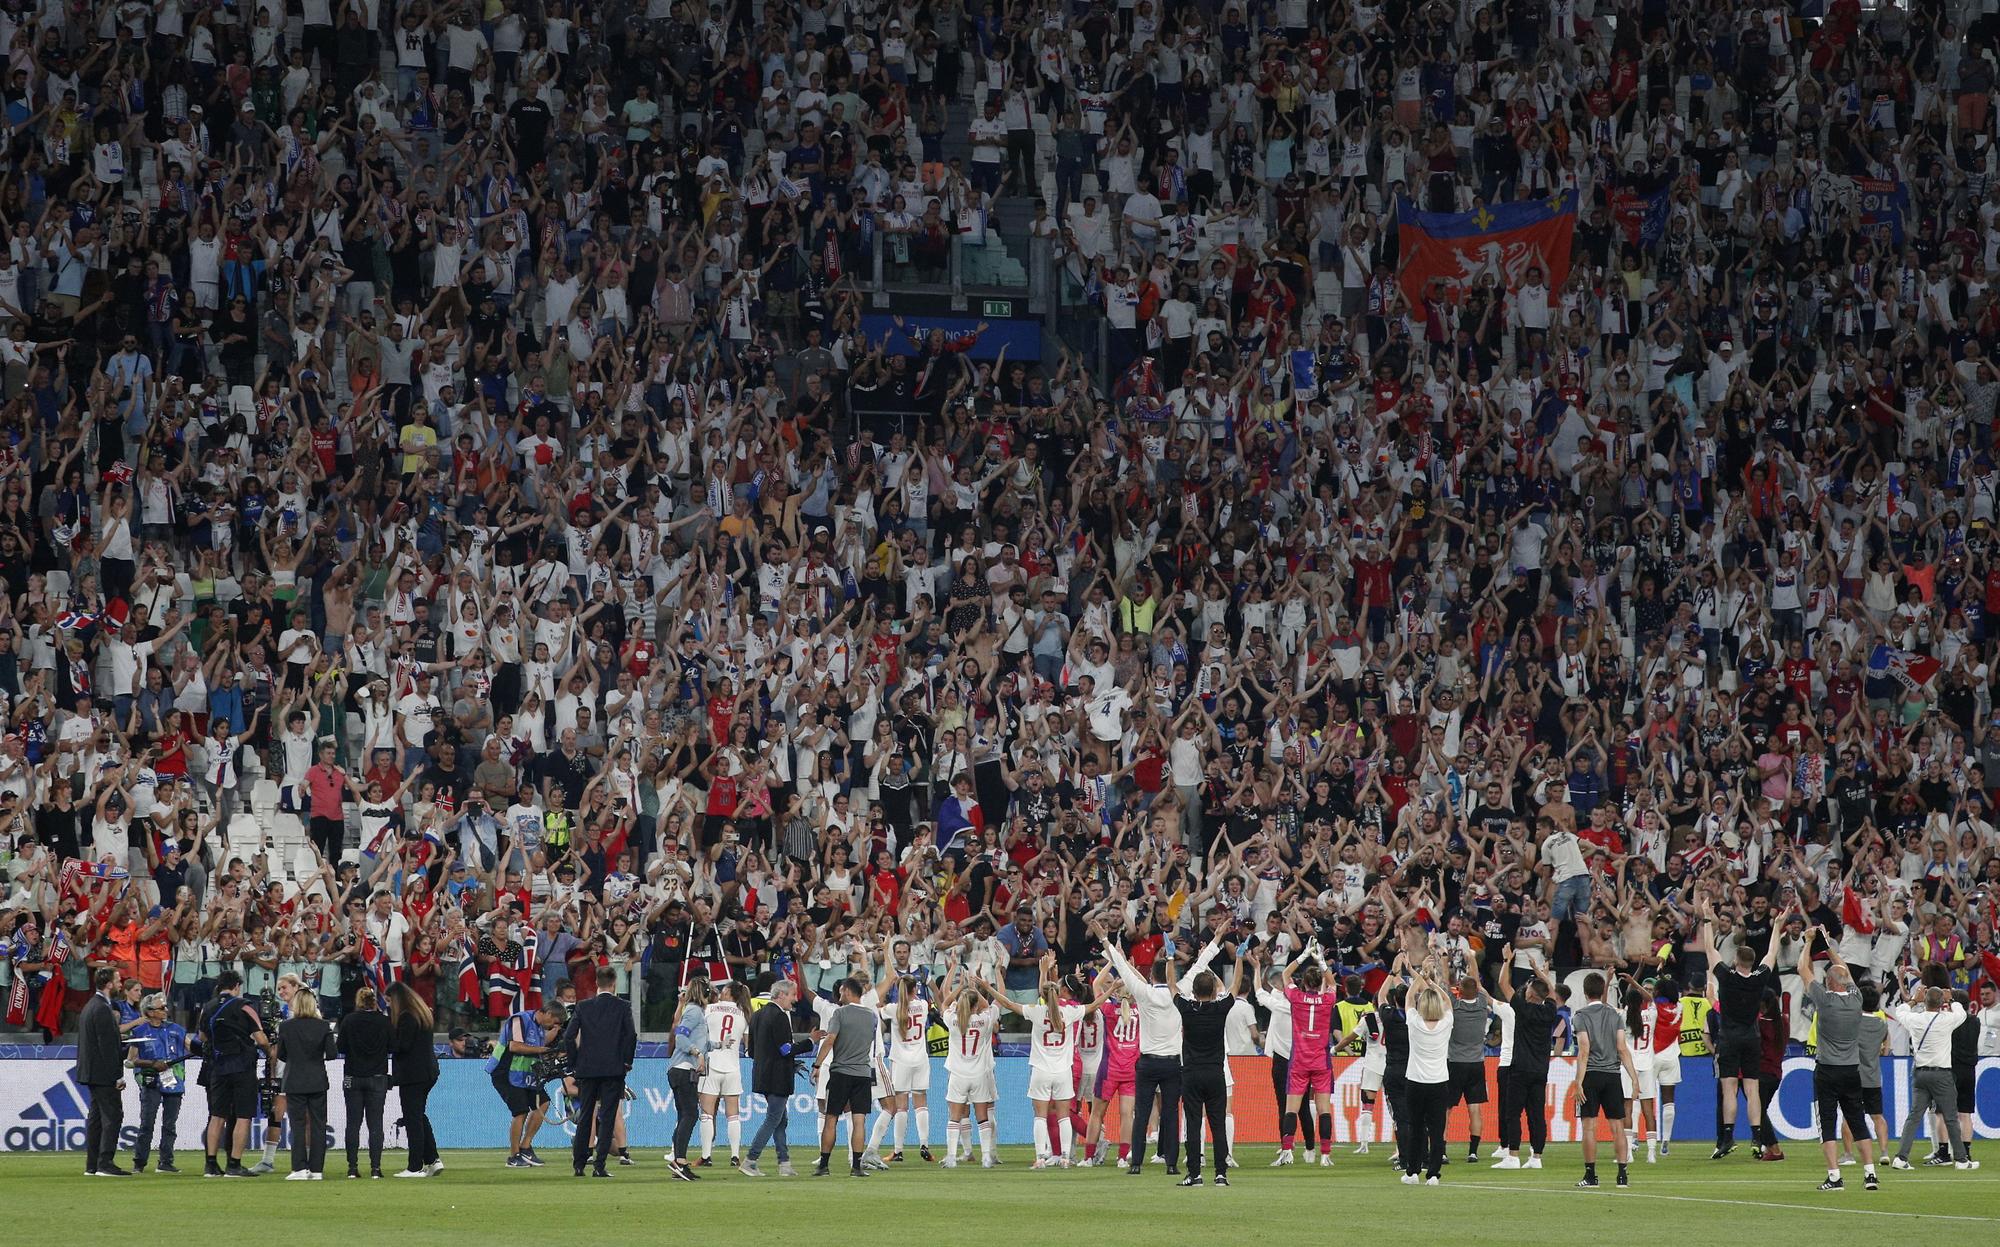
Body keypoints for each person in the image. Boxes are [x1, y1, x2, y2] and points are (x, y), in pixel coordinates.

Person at [1092, 916, 1185, 1176]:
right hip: (1172, 1062)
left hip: (1147, 1062)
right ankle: (1171, 1164)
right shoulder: (1181, 995)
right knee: (1169, 1113)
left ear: (1149, 976)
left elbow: (1121, 968)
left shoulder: (1143, 994)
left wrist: (1105, 940)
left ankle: (1135, 1164)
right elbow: (1199, 966)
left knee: (1141, 1112)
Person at [991, 951, 1092, 1168]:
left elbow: (1011, 1004)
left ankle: (1041, 1157)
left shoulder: (1038, 1011)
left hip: (1042, 1069)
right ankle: (1065, 1156)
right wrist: (1109, 990)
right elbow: (1089, 1004)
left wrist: (1043, 971)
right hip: (1066, 1067)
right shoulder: (1072, 1011)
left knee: (1041, 1115)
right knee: (1065, 1115)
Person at [1702, 905, 1781, 1158]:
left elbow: (1709, 949)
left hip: (1728, 1037)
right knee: (1752, 1088)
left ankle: (1726, 1137)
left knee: (1728, 1088)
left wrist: (1706, 918)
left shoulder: (1726, 976)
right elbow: (1772, 952)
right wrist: (1777, 926)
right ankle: (1757, 1139)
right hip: (1751, 1037)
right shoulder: (1759, 978)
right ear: (1752, 962)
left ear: (1736, 961)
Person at [1168, 939, 1235, 1187]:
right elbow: (1235, 986)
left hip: (1192, 1074)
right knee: (1218, 1124)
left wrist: (1168, 958)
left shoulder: (1186, 1008)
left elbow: (1172, 986)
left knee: (1193, 1124)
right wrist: (1238, 960)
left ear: (1193, 992)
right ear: (1215, 991)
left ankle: (1194, 1174)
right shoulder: (1221, 1008)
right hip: (1216, 1073)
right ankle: (1220, 1174)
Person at [1887, 984, 1974, 1170]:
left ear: (1924, 1002)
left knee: (1914, 1117)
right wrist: (1951, 999)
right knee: (1951, 1117)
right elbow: (1962, 1014)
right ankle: (1961, 1160)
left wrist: (1913, 1000)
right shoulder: (1947, 1019)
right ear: (1941, 1002)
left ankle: (1901, 1158)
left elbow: (1900, 1011)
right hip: (1941, 1074)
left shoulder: (1915, 1019)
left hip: (1920, 1073)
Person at [560, 977, 639, 1178]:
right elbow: (631, 1035)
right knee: (608, 1116)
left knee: (586, 1116)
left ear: (597, 983)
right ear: (614, 984)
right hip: (613, 1070)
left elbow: (569, 1036)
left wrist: (573, 1064)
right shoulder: (622, 1006)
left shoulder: (583, 1006)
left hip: (587, 1070)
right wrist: (626, 1062)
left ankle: (579, 1165)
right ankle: (599, 1166)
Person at [199, 969, 269, 1177]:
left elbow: (203, 1037)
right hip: (241, 1066)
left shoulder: (207, 1008)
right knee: (243, 1115)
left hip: (218, 1067)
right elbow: (262, 1039)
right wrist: (269, 1052)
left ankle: (211, 1164)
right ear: (237, 986)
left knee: (217, 1115)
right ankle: (234, 1163)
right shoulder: (245, 1006)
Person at [1572, 971, 1639, 1189]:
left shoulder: (1581, 1016)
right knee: (1617, 1127)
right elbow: (1622, 1048)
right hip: (1613, 1076)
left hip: (1591, 1075)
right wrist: (1635, 1078)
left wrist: (1578, 1081)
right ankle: (1622, 1175)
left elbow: (1584, 1049)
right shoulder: (1615, 1015)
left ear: (1584, 992)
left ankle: (1591, 1175)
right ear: (1603, 991)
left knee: (1589, 1127)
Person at [1491, 952, 1557, 1169]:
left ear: (1530, 995)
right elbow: (1552, 992)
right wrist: (1539, 972)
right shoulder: (1549, 1011)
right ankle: (1536, 1157)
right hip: (1540, 1070)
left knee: (1512, 1113)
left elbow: (1503, 982)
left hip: (1519, 1069)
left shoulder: (1522, 1008)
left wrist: (1507, 960)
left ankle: (1513, 1156)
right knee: (1536, 1115)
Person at [814, 976, 879, 1177]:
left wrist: (817, 1064)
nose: (839, 994)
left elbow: (830, 1040)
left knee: (831, 1117)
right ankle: (856, 1166)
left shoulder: (839, 1013)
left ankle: (824, 1165)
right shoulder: (871, 1016)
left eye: (842, 991)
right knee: (859, 1120)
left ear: (849, 992)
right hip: (862, 1073)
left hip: (841, 1072)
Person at [1274, 956, 1335, 1167]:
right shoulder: (1328, 999)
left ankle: (1287, 1151)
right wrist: (1321, 962)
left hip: (1299, 1060)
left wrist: (1301, 956)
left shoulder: (1296, 997)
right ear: (1319, 983)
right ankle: (1325, 1155)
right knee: (1324, 1109)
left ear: (1304, 983)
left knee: (1291, 1108)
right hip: (1320, 1062)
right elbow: (1334, 984)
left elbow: (1285, 974)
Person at [937, 964, 1000, 1169]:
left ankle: (952, 1157)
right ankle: (986, 1157)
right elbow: (991, 1006)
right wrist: (973, 988)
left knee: (955, 1117)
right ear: (975, 1006)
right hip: (980, 1074)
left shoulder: (953, 1020)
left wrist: (962, 987)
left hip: (958, 1074)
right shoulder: (984, 1020)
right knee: (982, 1117)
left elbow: (944, 1002)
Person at [1401, 954, 1455, 1186]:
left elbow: (1408, 999)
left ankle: (1413, 1172)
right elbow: (1449, 1003)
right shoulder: (1445, 1023)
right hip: (1439, 1082)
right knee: (1437, 1130)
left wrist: (1422, 976)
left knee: (1415, 1128)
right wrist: (1433, 984)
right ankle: (1433, 1174)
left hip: (1415, 1082)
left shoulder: (1414, 1022)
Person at [493, 1002, 566, 1168]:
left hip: (525, 1073)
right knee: (520, 1111)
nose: (554, 1025)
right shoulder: (519, 1019)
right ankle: (514, 1156)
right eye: (554, 1021)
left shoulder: (540, 1026)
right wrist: (543, 1050)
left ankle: (525, 1147)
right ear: (547, 1014)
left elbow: (539, 1043)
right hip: (505, 1071)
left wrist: (555, 1038)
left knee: (543, 1103)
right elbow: (515, 1046)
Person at [743, 978, 802, 1177]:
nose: (794, 1000)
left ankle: (784, 1163)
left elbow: (751, 1051)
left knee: (780, 1120)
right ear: (781, 995)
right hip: (778, 1077)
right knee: (773, 1118)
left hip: (761, 1074)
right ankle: (751, 1160)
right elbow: (785, 1049)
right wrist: (811, 1041)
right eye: (792, 995)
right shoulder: (780, 1017)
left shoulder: (757, 1015)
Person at [276, 990, 337, 1180]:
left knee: (298, 1125)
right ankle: (317, 1170)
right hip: (317, 1080)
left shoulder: (286, 1027)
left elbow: (281, 1055)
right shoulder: (324, 1026)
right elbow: (333, 1054)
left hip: (294, 1081)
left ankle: (299, 1168)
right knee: (318, 1126)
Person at [77, 966, 129, 1177]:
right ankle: (105, 1163)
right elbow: (106, 1047)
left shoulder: (92, 1005)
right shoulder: (102, 1008)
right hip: (103, 1073)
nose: (120, 984)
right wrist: (117, 1074)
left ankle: (93, 1164)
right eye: (117, 980)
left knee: (97, 1118)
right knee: (113, 1116)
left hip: (92, 1071)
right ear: (108, 984)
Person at [337, 988, 393, 1179]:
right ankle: (376, 1168)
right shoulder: (384, 1021)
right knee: (375, 1123)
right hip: (377, 1077)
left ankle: (352, 1168)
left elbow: (341, 1047)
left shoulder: (349, 1020)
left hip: (353, 1076)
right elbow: (392, 1046)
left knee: (353, 1123)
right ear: (373, 1001)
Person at [387, 981, 441, 1178]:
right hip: (427, 1072)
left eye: (389, 1001)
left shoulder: (407, 1017)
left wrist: (386, 1037)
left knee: (413, 1118)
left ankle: (415, 1166)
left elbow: (402, 1045)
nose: (389, 1005)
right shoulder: (421, 1013)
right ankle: (432, 1159)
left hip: (413, 1075)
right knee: (419, 1115)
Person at [130, 991, 188, 1174]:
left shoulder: (176, 1029)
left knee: (170, 1124)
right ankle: (139, 1162)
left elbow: (190, 1045)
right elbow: (131, 1060)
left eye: (165, 1007)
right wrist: (152, 1064)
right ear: (149, 1012)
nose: (165, 1010)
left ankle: (166, 1161)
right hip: (151, 1081)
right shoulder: (139, 1032)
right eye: (161, 1008)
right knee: (147, 1123)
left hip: (175, 1081)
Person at [699, 979, 752, 1168]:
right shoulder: (744, 1014)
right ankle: (735, 1155)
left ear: (728, 991)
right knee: (733, 1114)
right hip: (733, 1066)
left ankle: (706, 1155)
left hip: (711, 1064)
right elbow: (748, 1044)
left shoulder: (709, 1009)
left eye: (723, 988)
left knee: (706, 1113)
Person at [664, 979, 713, 1180]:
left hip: (680, 1069)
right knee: (690, 1115)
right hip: (684, 1069)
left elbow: (698, 1040)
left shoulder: (692, 1011)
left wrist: (719, 1044)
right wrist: (697, 1053)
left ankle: (678, 1160)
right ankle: (680, 1161)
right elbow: (681, 1036)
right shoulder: (694, 1011)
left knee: (684, 1116)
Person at [1446, 973, 1493, 1165]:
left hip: (1455, 1063)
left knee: (1445, 1109)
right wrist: (1472, 960)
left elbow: (1445, 986)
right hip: (1476, 1065)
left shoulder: (1454, 1006)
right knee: (1474, 1109)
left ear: (1461, 991)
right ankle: (1473, 1152)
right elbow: (1479, 986)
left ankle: (1441, 1152)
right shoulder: (1483, 1005)